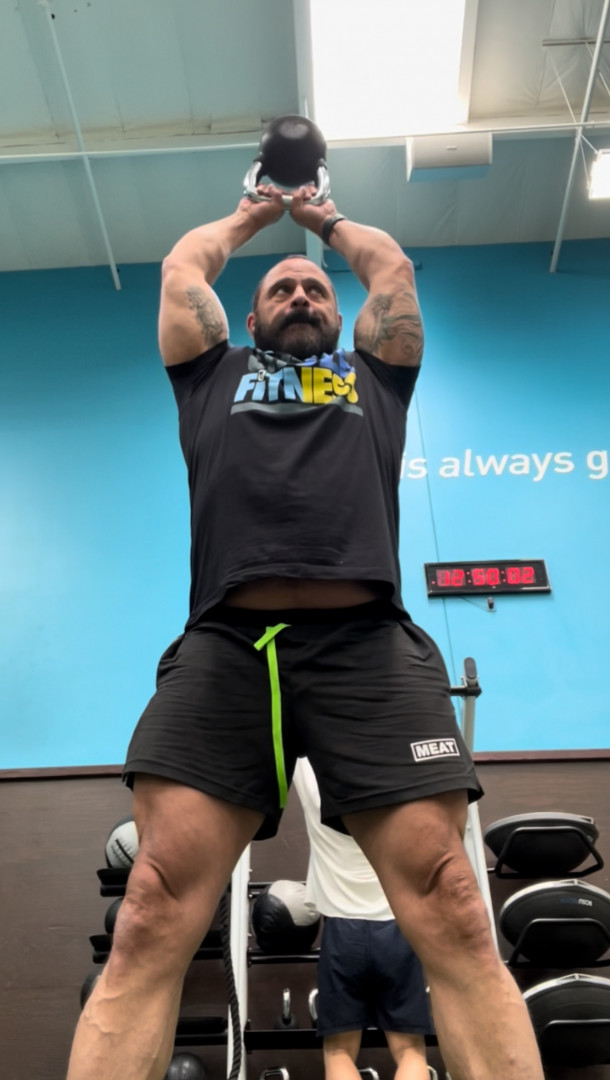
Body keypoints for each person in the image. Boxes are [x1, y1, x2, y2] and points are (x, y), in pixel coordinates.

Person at [66, 179, 544, 1080]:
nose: (300, 295)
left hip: (370, 648)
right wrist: (253, 215)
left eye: (316, 288)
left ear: (342, 314)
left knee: (452, 902)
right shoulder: (210, 374)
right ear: (247, 320)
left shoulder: (377, 376)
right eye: (281, 288)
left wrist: (322, 219)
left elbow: (391, 271)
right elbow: (182, 269)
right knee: (153, 909)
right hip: (228, 649)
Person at [293, 756, 433, 1080]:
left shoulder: (314, 783)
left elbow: (295, 744)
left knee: (338, 1052)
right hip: (397, 929)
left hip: (343, 933)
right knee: (410, 1052)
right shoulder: (396, 780)